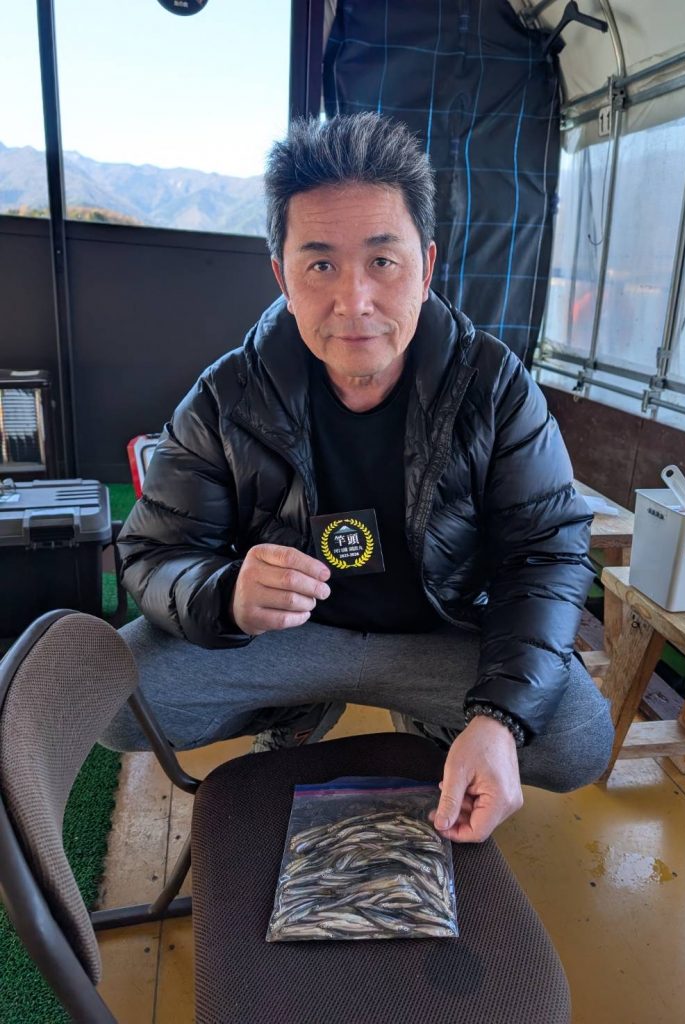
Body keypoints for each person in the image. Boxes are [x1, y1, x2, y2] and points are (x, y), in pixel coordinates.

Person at [104, 112, 613, 843]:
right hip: (289, 643)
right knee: (112, 695)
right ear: (281, 276)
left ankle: (444, 722)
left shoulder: (493, 384)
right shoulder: (227, 396)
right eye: (320, 265)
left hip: (436, 638)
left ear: (425, 266)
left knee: (576, 738)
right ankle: (296, 708)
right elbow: (153, 553)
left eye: (382, 260)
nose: (354, 301)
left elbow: (546, 552)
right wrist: (226, 594)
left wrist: (498, 719)